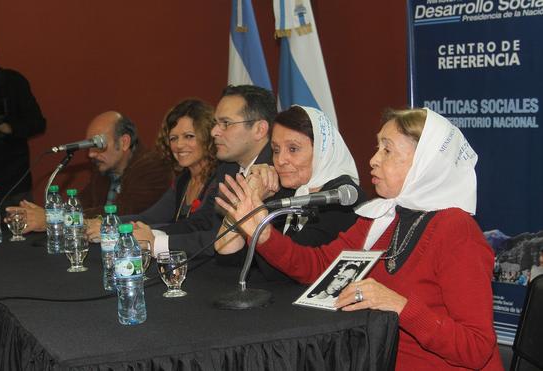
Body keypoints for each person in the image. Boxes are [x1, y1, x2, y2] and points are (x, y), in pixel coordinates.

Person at [218, 108, 502, 370]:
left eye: (387, 150)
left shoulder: (457, 232)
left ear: (424, 162)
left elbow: (477, 348)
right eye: (378, 147)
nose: (373, 160)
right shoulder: (381, 217)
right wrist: (264, 234)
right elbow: (317, 268)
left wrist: (401, 306)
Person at [215, 105, 363, 281]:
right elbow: (227, 254)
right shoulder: (285, 190)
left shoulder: (342, 197)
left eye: (293, 149)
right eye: (276, 150)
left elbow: (284, 272)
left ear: (321, 150)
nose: (280, 160)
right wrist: (251, 195)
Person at [133, 85, 281, 258]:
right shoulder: (228, 168)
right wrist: (150, 234)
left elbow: (226, 243)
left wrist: (157, 242)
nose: (214, 132)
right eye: (216, 124)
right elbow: (203, 222)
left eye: (225, 123)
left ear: (259, 129)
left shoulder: (277, 172)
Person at [13, 111, 172, 233]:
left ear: (124, 142)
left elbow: (124, 212)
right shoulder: (104, 168)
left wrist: (54, 219)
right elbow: (82, 203)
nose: (90, 154)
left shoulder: (154, 167)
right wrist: (47, 215)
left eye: (98, 144)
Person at [85, 99, 218, 241]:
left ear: (208, 137)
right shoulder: (184, 180)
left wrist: (115, 229)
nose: (179, 145)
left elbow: (193, 226)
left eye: (189, 136)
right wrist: (107, 224)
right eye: (173, 138)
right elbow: (149, 217)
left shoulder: (220, 177)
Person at [0, 37, 46, 210]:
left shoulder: (13, 81)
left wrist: (10, 128)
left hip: (13, 174)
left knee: (21, 227)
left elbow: (38, 123)